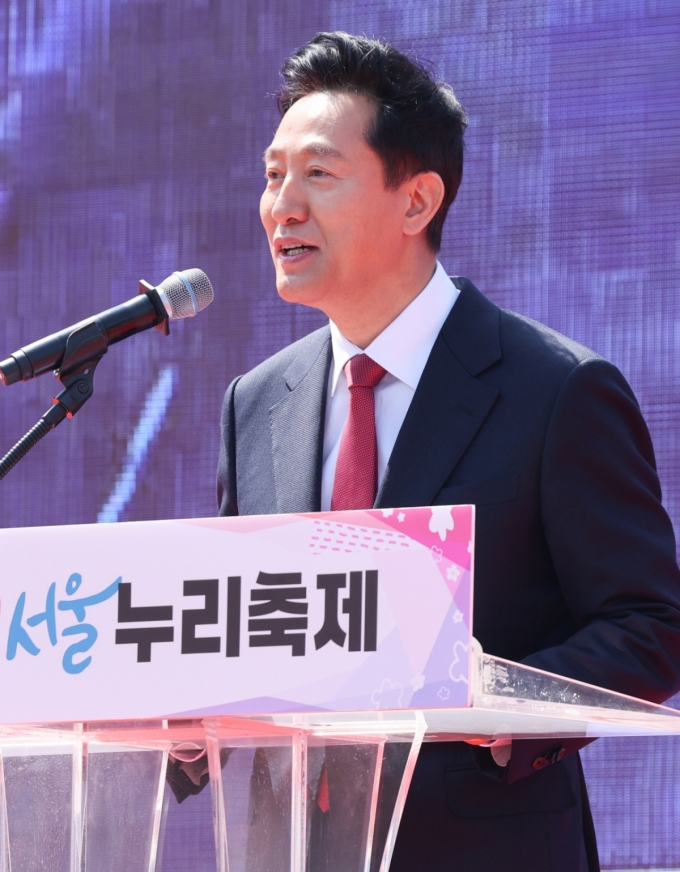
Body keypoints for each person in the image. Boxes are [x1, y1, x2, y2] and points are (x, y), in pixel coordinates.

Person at [217, 31, 680, 872]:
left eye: (318, 174)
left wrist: (495, 698)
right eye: (273, 174)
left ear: (417, 201)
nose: (281, 205)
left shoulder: (555, 390)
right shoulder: (256, 403)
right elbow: (234, 628)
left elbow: (649, 626)